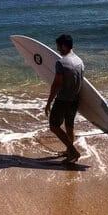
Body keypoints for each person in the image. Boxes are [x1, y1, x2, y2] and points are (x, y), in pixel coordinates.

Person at [45, 34, 84, 163]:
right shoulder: (79, 61)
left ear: (64, 46)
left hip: (63, 100)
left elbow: (56, 84)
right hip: (75, 99)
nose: (57, 50)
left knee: (54, 126)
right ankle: (69, 151)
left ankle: (73, 152)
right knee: (69, 126)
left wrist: (49, 101)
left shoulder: (61, 63)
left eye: (58, 47)